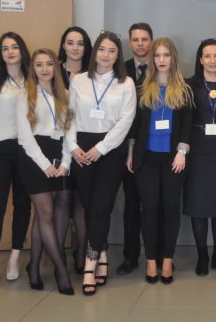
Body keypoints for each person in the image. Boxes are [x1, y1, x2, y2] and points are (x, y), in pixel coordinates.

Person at [66, 30, 136, 295]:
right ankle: (103, 254)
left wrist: (101, 148)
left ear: (118, 56)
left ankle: (89, 265)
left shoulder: (126, 83)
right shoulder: (79, 80)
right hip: (81, 148)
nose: (106, 55)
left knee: (100, 206)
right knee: (89, 206)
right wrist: (73, 147)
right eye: (103, 49)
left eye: (112, 51)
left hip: (111, 149)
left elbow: (126, 121)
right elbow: (69, 117)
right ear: (95, 52)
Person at [129, 38, 192, 284]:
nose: (162, 60)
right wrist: (130, 151)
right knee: (150, 209)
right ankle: (150, 260)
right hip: (146, 157)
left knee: (171, 208)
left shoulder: (184, 89)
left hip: (174, 158)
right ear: (152, 59)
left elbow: (187, 125)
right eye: (157, 55)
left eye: (166, 55)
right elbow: (135, 125)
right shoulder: (142, 89)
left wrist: (182, 151)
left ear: (173, 58)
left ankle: (167, 259)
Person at [16, 48, 75, 295]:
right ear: (33, 69)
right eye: (39, 65)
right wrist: (44, 164)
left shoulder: (66, 94)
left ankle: (34, 267)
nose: (44, 69)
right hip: (33, 156)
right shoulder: (25, 94)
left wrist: (66, 163)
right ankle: (61, 270)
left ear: (55, 67)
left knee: (48, 213)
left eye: (49, 64)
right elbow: (24, 136)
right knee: (46, 212)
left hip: (59, 154)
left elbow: (70, 131)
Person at [0, 32, 33, 291]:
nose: (10, 52)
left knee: (22, 205)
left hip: (27, 150)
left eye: (14, 47)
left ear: (22, 50)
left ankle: (14, 258)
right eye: (5, 48)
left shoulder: (33, 79)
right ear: (0, 53)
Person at [183, 39, 216, 276]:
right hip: (197, 149)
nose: (212, 60)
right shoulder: (189, 85)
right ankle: (202, 255)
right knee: (198, 204)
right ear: (201, 60)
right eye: (207, 56)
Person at [116, 22, 153, 276]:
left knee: (154, 205)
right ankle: (130, 256)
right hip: (127, 149)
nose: (140, 43)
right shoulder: (120, 70)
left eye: (144, 39)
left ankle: (157, 254)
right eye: (135, 39)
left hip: (155, 148)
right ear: (129, 42)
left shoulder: (162, 67)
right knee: (131, 205)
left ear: (151, 41)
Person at [57, 25, 93, 273]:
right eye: (70, 43)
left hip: (84, 145)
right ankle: (57, 256)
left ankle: (81, 255)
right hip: (56, 143)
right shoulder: (52, 70)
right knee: (62, 199)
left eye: (80, 43)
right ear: (63, 45)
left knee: (82, 202)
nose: (75, 48)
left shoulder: (94, 74)